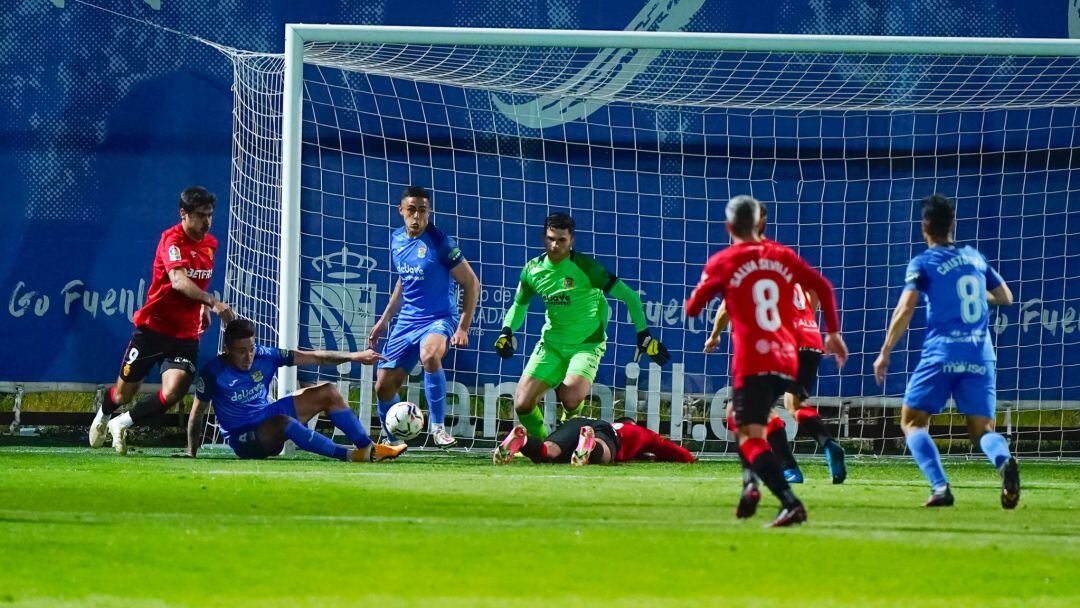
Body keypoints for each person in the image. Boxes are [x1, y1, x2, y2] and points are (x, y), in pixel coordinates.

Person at [686, 195, 847, 527]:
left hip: (753, 360)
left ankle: (785, 497)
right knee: (755, 417)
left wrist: (713, 293)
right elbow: (822, 286)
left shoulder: (724, 261)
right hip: (789, 353)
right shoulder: (782, 256)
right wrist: (832, 332)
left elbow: (693, 307)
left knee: (744, 428)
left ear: (728, 226)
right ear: (760, 223)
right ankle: (751, 484)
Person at [874, 194, 1019, 509]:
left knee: (912, 421)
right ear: (953, 223)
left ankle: (940, 487)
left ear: (924, 226)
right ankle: (1004, 460)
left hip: (942, 353)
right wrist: (975, 297)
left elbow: (906, 308)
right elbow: (1005, 297)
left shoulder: (923, 262)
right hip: (980, 354)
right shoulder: (975, 257)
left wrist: (885, 351)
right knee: (983, 430)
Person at [493, 212, 670, 442]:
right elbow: (519, 305)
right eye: (550, 239)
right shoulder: (532, 270)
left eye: (561, 240)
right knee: (522, 404)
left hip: (586, 344)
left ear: (571, 240)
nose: (555, 245)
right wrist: (506, 332)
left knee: (570, 397)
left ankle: (569, 423)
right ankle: (543, 445)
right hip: (552, 344)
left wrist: (644, 336)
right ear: (544, 237)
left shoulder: (588, 268)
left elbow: (630, 297)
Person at [89, 186, 236, 455]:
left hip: (185, 335)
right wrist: (212, 302)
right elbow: (178, 280)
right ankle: (106, 411)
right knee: (123, 394)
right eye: (200, 215)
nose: (207, 222)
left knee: (175, 390)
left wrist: (201, 307)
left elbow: (198, 279)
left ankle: (121, 423)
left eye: (210, 215)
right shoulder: (172, 240)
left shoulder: (210, 244)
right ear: (183, 213)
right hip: (152, 329)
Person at [182, 319, 405, 462]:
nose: (248, 356)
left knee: (328, 391)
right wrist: (191, 451)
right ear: (226, 349)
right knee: (283, 422)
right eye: (241, 351)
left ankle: (369, 449)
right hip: (244, 437)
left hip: (265, 414)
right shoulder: (213, 372)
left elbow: (315, 357)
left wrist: (355, 356)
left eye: (251, 348)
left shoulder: (265, 356)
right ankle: (349, 455)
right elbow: (197, 411)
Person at [368, 186, 480, 449]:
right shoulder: (396, 239)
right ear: (401, 211)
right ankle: (393, 440)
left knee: (429, 355)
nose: (417, 216)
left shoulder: (441, 243)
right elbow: (404, 282)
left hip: (440, 318)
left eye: (422, 210)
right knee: (383, 387)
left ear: (429, 212)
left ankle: (438, 428)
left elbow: (471, 283)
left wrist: (463, 327)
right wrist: (384, 320)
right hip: (407, 320)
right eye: (411, 210)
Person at [492, 416, 694, 465]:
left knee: (549, 451)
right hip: (603, 432)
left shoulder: (610, 424)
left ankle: (524, 442)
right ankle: (592, 444)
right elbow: (668, 448)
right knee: (604, 451)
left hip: (577, 422)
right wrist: (689, 458)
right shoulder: (636, 431)